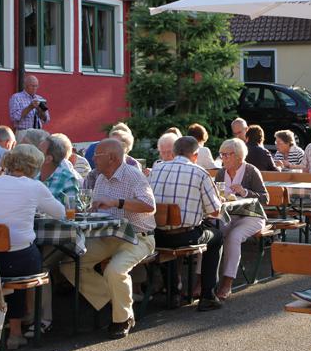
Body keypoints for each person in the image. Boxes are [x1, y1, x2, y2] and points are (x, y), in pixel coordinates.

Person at [63, 138, 157, 337]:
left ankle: (122, 318)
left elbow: (149, 206)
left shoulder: (133, 175)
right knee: (69, 263)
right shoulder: (100, 177)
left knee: (114, 271)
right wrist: (89, 209)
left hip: (138, 237)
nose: (92, 158)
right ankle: (116, 302)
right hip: (110, 237)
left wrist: (117, 202)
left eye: (97, 154)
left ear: (112, 158)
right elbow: (97, 207)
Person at [0, 145, 65, 349]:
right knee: (31, 259)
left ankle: (10, 326)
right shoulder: (34, 186)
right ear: (34, 166)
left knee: (12, 264)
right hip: (18, 258)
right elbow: (60, 212)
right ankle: (20, 329)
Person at [150, 136, 225, 312]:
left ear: (174, 152)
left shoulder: (156, 169)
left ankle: (173, 293)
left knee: (168, 234)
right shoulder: (199, 172)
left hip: (156, 236)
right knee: (217, 236)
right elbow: (215, 211)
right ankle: (208, 295)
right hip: (185, 236)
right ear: (195, 155)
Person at [213, 138, 269, 299]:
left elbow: (265, 198)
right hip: (229, 215)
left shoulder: (251, 171)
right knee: (213, 234)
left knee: (234, 237)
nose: (223, 158)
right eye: (221, 154)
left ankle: (227, 283)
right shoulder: (221, 172)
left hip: (251, 216)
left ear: (238, 156)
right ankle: (204, 281)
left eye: (226, 155)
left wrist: (245, 192)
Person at [39, 133, 81, 202]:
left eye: (39, 151)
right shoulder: (34, 175)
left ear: (48, 159)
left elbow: (72, 209)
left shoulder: (67, 180)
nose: (34, 153)